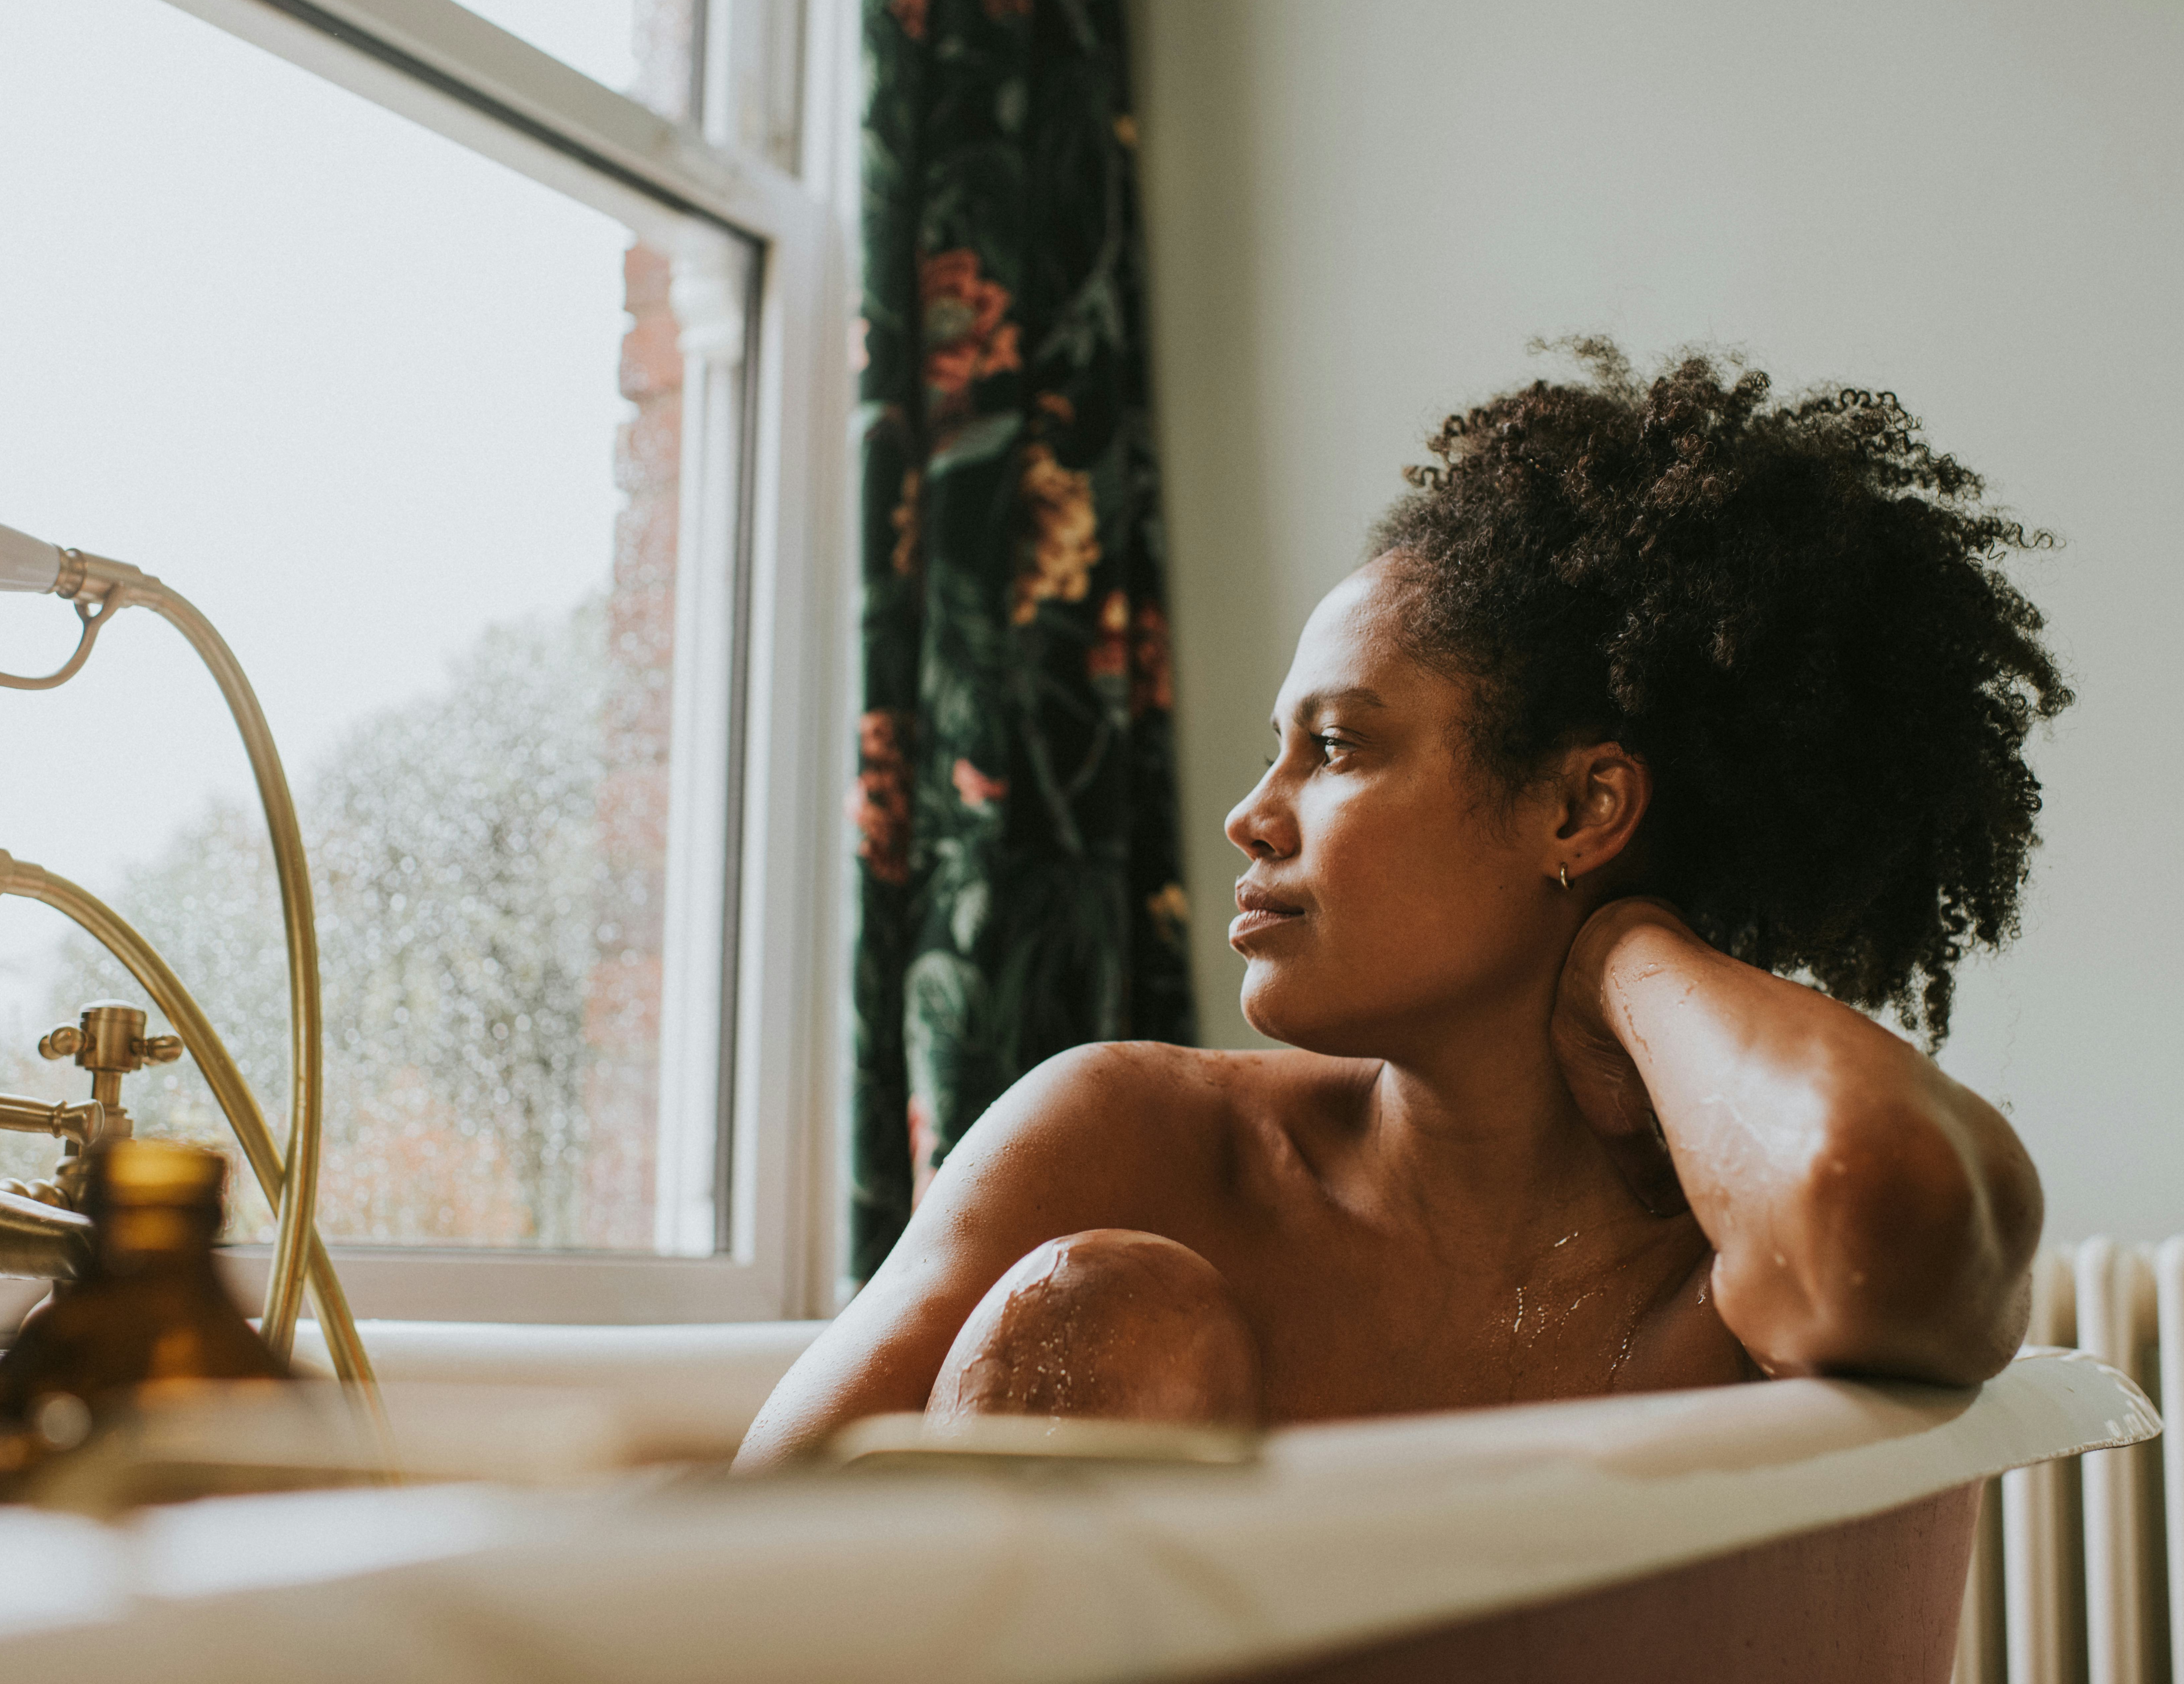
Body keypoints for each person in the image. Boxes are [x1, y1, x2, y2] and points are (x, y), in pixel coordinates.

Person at [738, 341, 2068, 1468]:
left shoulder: (1734, 1271)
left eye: (1333, 748)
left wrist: (1630, 955)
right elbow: (739, 1578)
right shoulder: (1124, 1145)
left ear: (1575, 810)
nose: (1249, 816)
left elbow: (1884, 1211)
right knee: (1112, 1309)